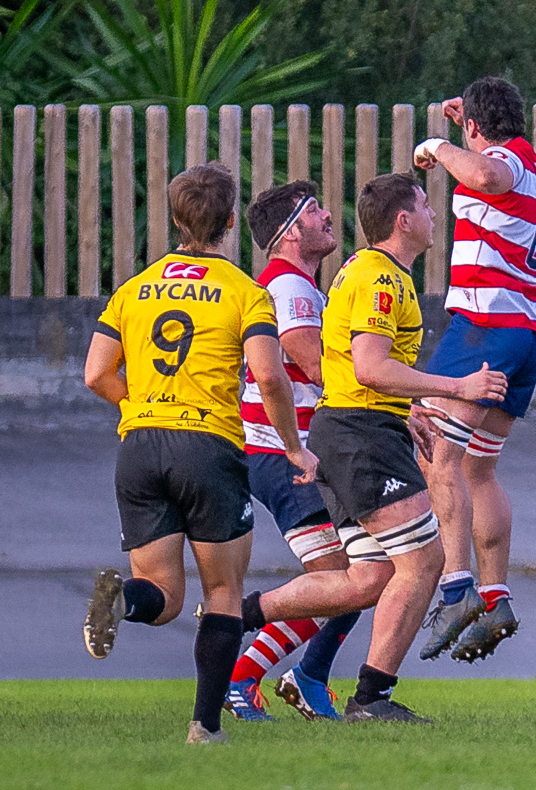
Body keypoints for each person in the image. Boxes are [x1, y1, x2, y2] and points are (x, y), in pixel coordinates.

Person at [236, 173, 505, 723]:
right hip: (335, 439)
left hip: (345, 431)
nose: (437, 213)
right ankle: (366, 695)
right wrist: (455, 389)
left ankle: (242, 622)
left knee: (368, 578)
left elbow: (344, 367)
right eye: (428, 204)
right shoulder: (358, 279)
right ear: (404, 220)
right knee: (422, 560)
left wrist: (408, 409)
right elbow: (359, 367)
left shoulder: (365, 274)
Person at [81, 163, 305, 745]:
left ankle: (120, 600)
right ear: (230, 222)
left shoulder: (133, 289)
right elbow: (269, 376)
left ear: (176, 219)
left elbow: (95, 373)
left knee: (163, 597)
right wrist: (293, 447)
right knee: (222, 592)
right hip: (208, 447)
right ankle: (204, 727)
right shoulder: (244, 292)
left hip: (141, 444)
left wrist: (142, 406)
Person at [411, 76, 536, 663]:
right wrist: (462, 128)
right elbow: (495, 169)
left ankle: (457, 589)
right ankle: (497, 599)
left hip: (484, 324)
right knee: (477, 470)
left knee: (433, 453)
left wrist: (437, 148)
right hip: (526, 330)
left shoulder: (500, 161)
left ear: (474, 129)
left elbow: (488, 174)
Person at [222, 182, 362, 723]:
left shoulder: (293, 285)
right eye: (314, 211)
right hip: (283, 453)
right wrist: (378, 395)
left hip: (287, 451)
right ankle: (244, 677)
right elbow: (307, 360)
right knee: (341, 576)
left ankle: (304, 677)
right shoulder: (290, 288)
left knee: (359, 572)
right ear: (288, 233)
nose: (329, 214)